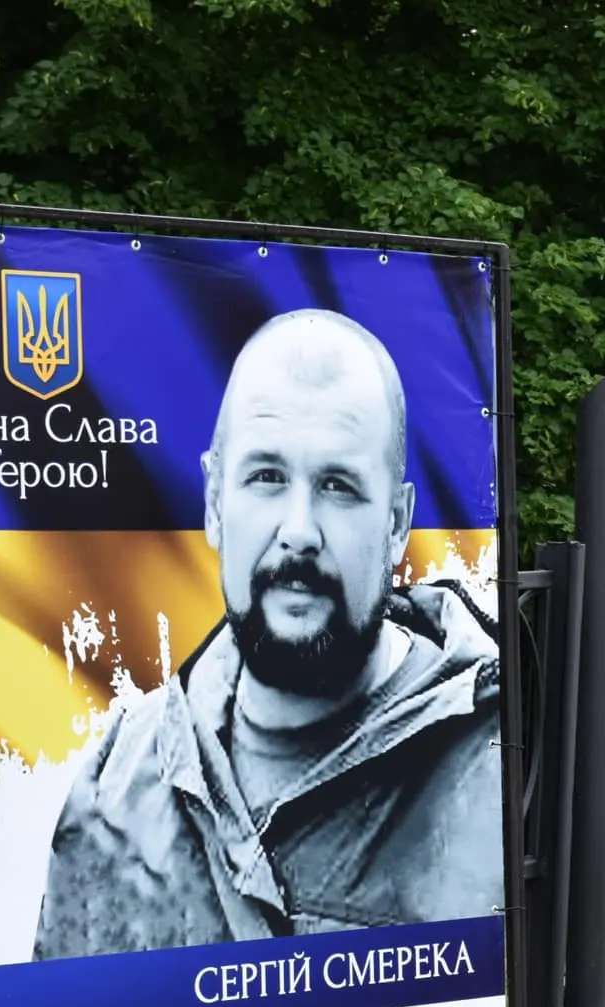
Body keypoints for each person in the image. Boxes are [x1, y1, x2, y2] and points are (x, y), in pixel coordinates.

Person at [32, 309, 504, 959]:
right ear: (216, 504)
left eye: (338, 486)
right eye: (266, 478)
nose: (299, 530)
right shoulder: (123, 778)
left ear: (397, 523)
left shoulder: (504, 757)